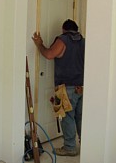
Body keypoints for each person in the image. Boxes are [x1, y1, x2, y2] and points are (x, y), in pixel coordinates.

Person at [32, 19, 85, 156]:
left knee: (67, 117)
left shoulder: (63, 39)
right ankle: (86, 144)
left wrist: (40, 44)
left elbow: (49, 54)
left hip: (65, 87)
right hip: (82, 86)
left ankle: (69, 147)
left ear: (64, 29)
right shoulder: (83, 41)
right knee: (80, 117)